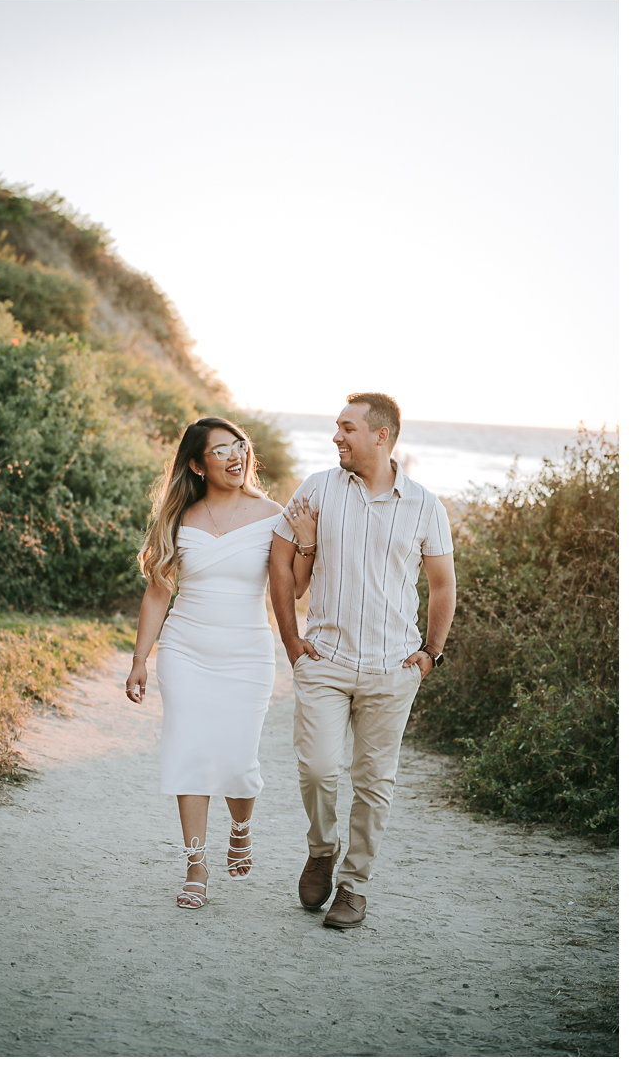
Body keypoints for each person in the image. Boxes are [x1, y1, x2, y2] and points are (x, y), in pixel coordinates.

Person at [270, 393, 456, 930]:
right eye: (336, 428)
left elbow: (443, 586)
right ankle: (321, 849)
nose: (337, 437)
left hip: (391, 669)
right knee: (318, 768)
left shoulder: (425, 505)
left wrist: (429, 655)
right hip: (324, 661)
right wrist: (290, 642)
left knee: (374, 783)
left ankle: (353, 886)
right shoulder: (317, 489)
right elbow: (281, 565)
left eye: (347, 428)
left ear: (382, 435)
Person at [125, 417, 311, 910]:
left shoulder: (276, 515)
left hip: (247, 653)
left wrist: (307, 542)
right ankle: (196, 864)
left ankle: (242, 827)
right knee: (191, 752)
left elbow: (291, 589)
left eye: (240, 446)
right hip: (185, 650)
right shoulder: (179, 518)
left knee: (237, 760)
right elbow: (157, 592)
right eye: (221, 450)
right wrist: (141, 658)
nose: (235, 457)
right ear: (196, 463)